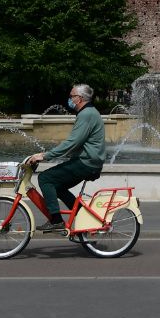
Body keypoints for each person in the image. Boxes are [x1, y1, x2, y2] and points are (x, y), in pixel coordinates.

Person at [27, 84, 106, 232]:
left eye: (72, 96)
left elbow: (73, 142)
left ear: (80, 98)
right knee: (58, 186)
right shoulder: (88, 112)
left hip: (86, 163)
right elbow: (77, 143)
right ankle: (83, 215)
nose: (69, 99)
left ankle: (56, 221)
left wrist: (45, 156)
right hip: (88, 161)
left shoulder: (86, 114)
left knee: (45, 178)